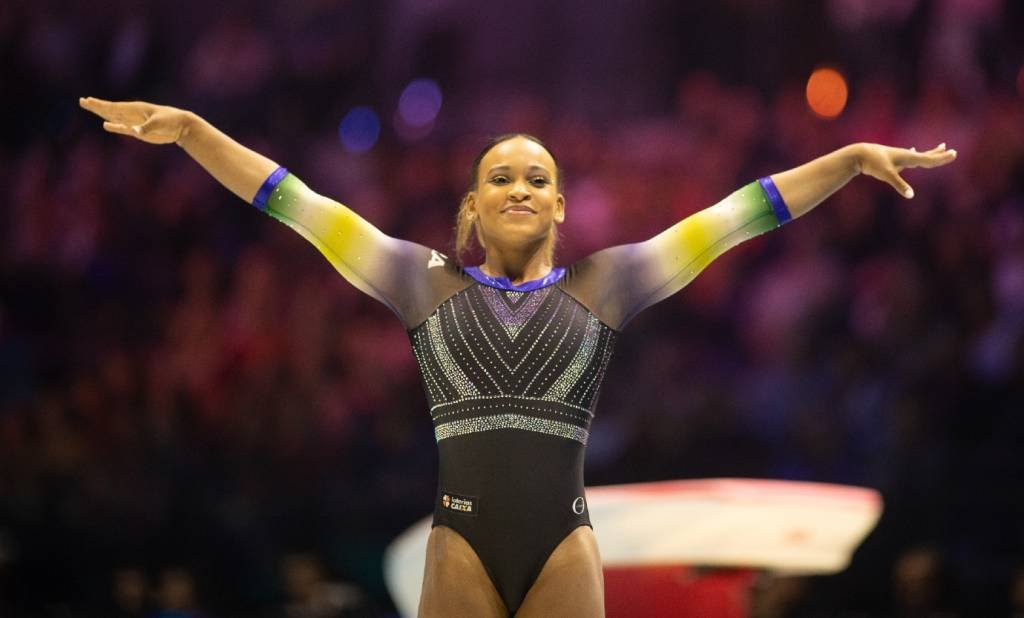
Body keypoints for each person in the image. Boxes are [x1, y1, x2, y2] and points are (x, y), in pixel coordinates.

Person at [78, 96, 957, 617]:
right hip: (459, 541)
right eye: (500, 177)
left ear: (562, 206)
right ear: (472, 204)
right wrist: (193, 132)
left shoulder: (609, 284)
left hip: (564, 545)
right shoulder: (417, 281)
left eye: (537, 178)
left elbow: (741, 215)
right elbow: (291, 201)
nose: (519, 188)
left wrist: (845, 158)